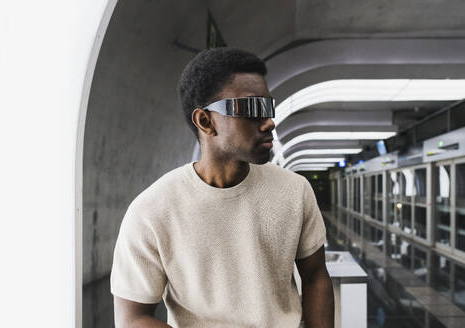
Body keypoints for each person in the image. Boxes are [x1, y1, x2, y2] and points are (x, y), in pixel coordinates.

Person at [110, 47, 334, 328]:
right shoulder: (152, 211)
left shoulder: (295, 190)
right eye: (252, 108)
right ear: (206, 121)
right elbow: (133, 318)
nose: (269, 122)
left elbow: (315, 276)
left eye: (269, 106)